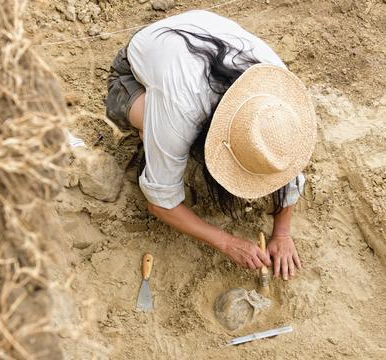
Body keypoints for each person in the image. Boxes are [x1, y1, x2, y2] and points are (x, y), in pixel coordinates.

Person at [105, 10, 316, 280]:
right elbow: (160, 204)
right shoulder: (180, 112)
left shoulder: (276, 98)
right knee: (153, 125)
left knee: (257, 145)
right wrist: (227, 242)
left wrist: (282, 233)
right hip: (137, 65)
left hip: (199, 35)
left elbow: (287, 164)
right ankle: (150, 131)